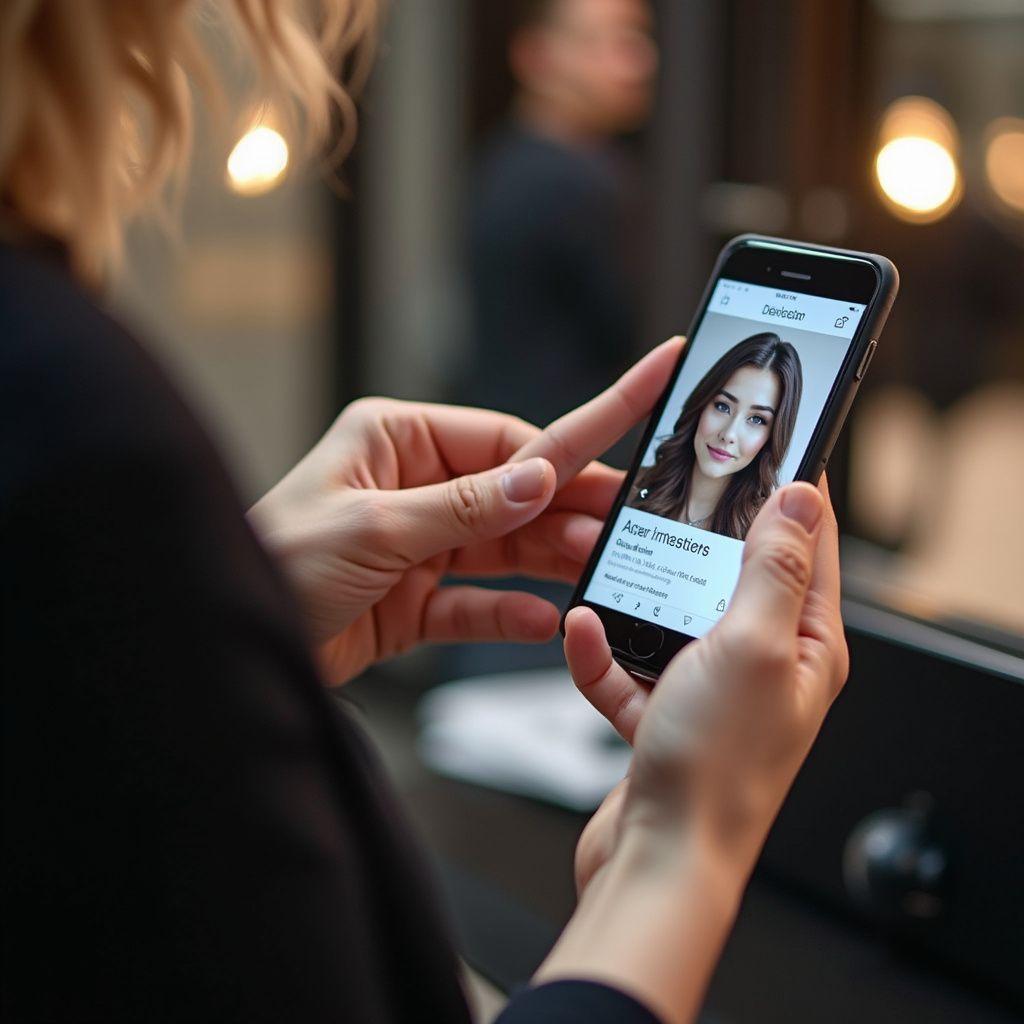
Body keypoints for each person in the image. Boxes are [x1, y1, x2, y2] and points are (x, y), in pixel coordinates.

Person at [0, 3, 848, 1023]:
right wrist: (683, 849)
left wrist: (237, 631)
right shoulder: (60, 414)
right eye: (725, 399)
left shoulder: (498, 173)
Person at [456, 0, 657, 429]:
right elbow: (640, 332)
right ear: (536, 56)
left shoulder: (505, 155)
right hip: (572, 448)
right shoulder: (577, 180)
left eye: (639, 39)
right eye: (605, 42)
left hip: (513, 435)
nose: (638, 62)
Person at [631, 332, 804, 540]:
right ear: (702, 404)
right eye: (723, 406)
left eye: (757, 419)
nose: (729, 434)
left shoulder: (766, 535)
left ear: (772, 436)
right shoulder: (637, 489)